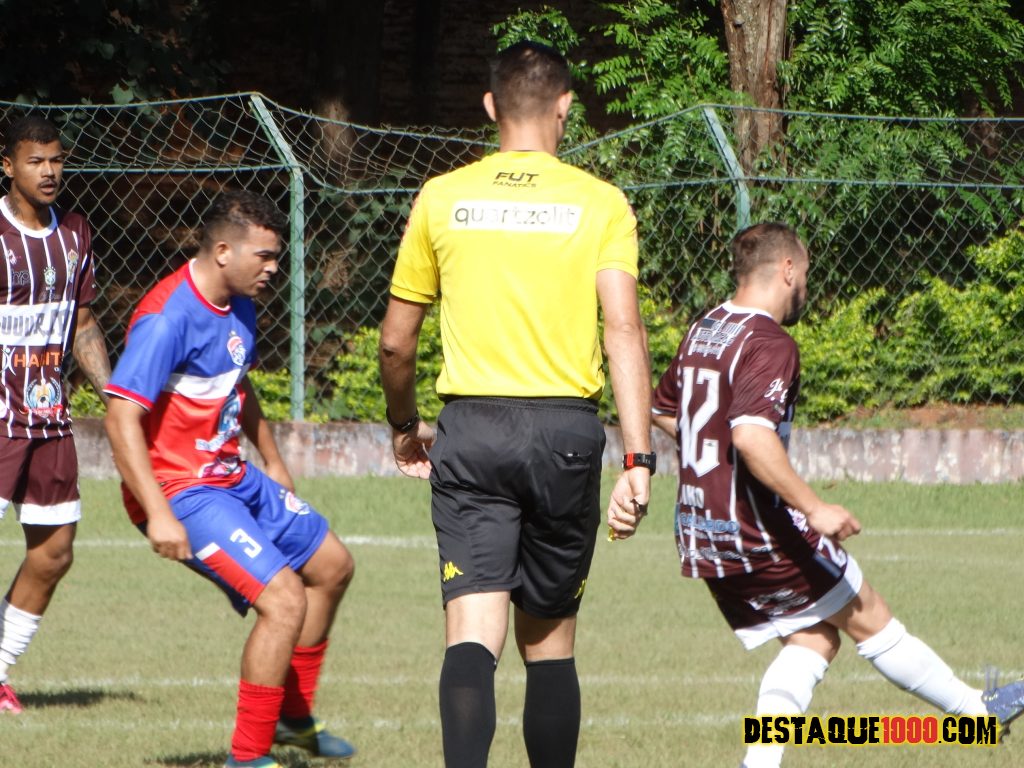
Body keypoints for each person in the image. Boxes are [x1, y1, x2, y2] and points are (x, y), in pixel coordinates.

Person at [624, 222, 1024, 767]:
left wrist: (710, 453)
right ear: (788, 269)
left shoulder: (705, 327)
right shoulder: (770, 342)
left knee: (814, 639)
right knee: (868, 613)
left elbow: (663, 409)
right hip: (758, 529)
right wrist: (815, 507)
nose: (806, 286)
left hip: (701, 531)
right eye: (807, 273)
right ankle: (975, 714)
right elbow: (751, 436)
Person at [379, 40, 653, 768]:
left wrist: (404, 426)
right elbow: (623, 328)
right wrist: (639, 459)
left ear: (490, 106)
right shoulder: (601, 202)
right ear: (565, 107)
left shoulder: (442, 197)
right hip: (566, 434)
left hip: (472, 431)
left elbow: (396, 343)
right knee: (550, 645)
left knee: (472, 636)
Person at [104, 190, 356, 768]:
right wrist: (158, 513)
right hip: (181, 491)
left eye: (276, 256)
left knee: (332, 566)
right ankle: (247, 758)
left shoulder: (240, 302)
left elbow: (236, 382)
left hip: (231, 475)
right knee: (284, 600)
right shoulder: (166, 319)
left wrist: (273, 459)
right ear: (223, 251)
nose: (274, 268)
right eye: (264, 256)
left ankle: (292, 721)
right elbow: (120, 418)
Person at [0, 114, 111, 714]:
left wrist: (115, 400)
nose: (48, 172)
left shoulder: (74, 232)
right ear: (8, 165)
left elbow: (83, 324)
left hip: (49, 420)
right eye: (35, 161)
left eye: (56, 160)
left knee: (55, 552)